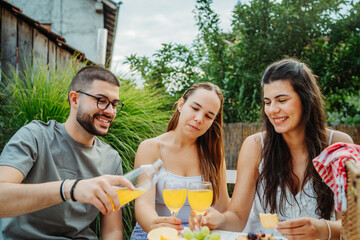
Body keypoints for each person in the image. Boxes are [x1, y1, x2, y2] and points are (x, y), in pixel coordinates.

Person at [189, 58, 354, 240]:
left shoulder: (338, 145)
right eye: (267, 102)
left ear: (306, 99)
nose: (272, 110)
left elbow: (351, 225)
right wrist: (217, 219)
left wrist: (324, 229)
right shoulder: (255, 146)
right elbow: (236, 217)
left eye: (281, 100)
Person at [0, 66, 134, 239]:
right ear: (75, 99)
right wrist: (70, 189)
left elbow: (112, 231)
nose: (110, 111)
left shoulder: (111, 159)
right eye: (101, 100)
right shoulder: (36, 136)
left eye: (115, 104)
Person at [130, 82, 230, 239]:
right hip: (154, 232)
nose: (198, 119)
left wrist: (218, 219)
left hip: (197, 234)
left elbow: (223, 207)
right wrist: (157, 225)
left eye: (208, 116)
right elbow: (143, 205)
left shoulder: (214, 153)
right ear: (181, 105)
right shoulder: (151, 148)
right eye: (195, 108)